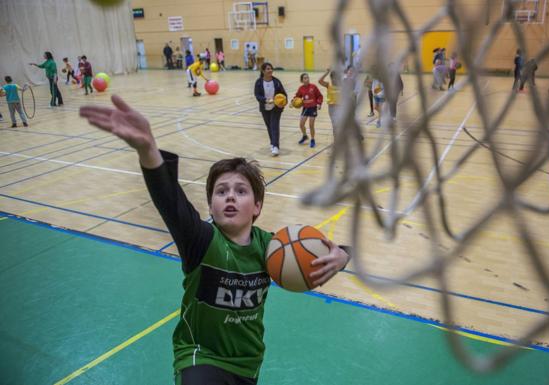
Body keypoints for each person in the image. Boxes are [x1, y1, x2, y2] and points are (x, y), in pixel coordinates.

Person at [79, 94, 350, 385]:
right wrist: (149, 151)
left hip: (248, 361)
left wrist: (341, 256)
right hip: (199, 356)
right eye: (221, 191)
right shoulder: (200, 240)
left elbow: (339, 252)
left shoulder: (272, 248)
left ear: (257, 206)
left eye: (241, 191)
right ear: (211, 206)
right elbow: (171, 202)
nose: (230, 196)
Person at [254, 62, 287, 156]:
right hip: (264, 108)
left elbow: (284, 94)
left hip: (276, 108)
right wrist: (265, 100)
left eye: (271, 68)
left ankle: (276, 146)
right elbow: (257, 95)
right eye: (268, 69)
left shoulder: (276, 81)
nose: (270, 70)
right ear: (263, 71)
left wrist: (283, 103)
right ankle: (272, 143)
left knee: (274, 125)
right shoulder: (259, 82)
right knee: (269, 126)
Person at [292, 73, 323, 148]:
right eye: (305, 78)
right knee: (301, 124)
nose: (307, 79)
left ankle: (312, 139)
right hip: (305, 108)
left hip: (313, 107)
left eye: (307, 78)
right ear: (302, 80)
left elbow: (320, 96)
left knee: (311, 125)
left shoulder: (313, 87)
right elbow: (297, 97)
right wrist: (292, 102)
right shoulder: (301, 88)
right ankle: (305, 136)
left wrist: (319, 103)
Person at [318, 68, 341, 138]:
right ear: (331, 78)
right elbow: (320, 81)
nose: (334, 79)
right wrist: (327, 72)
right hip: (332, 108)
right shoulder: (328, 85)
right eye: (333, 78)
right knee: (335, 125)